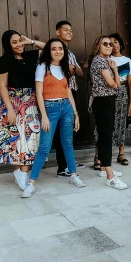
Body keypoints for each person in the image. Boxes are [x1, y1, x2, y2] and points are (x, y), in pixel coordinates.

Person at [0, 30, 45, 190]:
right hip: (11, 101)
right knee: (15, 140)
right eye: (14, 42)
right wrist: (10, 109)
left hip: (30, 102)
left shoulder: (30, 56)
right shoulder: (4, 60)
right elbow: (1, 85)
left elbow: (48, 47)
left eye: (20, 41)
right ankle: (21, 173)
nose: (19, 45)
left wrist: (30, 41)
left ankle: (23, 172)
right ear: (7, 45)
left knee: (29, 139)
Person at [22, 38, 85, 197]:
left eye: (60, 49)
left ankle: (73, 175)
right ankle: (31, 183)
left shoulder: (65, 68)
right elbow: (39, 93)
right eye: (54, 48)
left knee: (67, 144)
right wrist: (43, 116)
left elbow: (69, 92)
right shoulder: (42, 67)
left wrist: (76, 114)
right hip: (50, 109)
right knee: (44, 147)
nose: (58, 51)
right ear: (49, 51)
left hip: (66, 108)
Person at [89, 35, 127, 190]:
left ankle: (105, 168)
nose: (109, 46)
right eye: (105, 44)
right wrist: (114, 72)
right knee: (105, 136)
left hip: (108, 100)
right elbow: (113, 83)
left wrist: (115, 69)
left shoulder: (107, 62)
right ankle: (110, 176)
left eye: (111, 44)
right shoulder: (99, 61)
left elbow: (116, 85)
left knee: (107, 134)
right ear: (98, 45)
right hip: (103, 101)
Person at [93, 33, 131, 168]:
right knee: (104, 128)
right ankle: (99, 157)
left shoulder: (126, 60)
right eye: (108, 43)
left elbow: (130, 82)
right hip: (107, 95)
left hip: (121, 93)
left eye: (114, 42)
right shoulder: (104, 60)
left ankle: (120, 154)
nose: (112, 45)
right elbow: (109, 82)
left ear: (120, 44)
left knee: (120, 123)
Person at [51, 21, 85, 178]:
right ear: (58, 32)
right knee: (60, 131)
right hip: (60, 95)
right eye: (65, 30)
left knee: (70, 128)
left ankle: (69, 161)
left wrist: (73, 67)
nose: (69, 32)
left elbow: (79, 72)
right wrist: (70, 68)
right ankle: (62, 166)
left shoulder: (70, 53)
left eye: (71, 30)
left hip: (72, 92)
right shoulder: (54, 50)